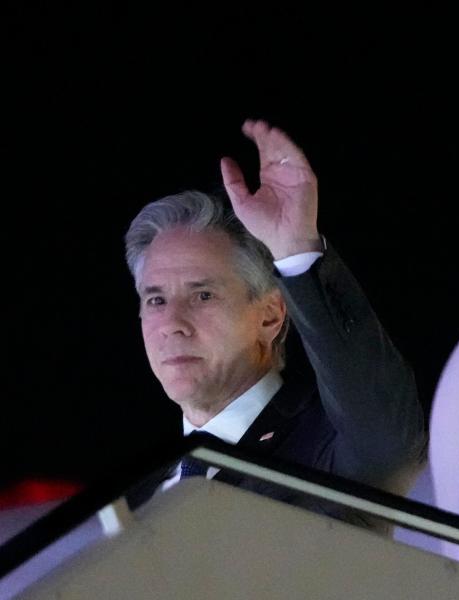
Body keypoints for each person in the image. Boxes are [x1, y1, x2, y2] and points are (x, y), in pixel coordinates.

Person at [123, 120, 426, 532]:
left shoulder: (326, 447)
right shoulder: (137, 498)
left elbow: (386, 442)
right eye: (156, 299)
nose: (172, 324)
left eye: (203, 295)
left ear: (270, 315)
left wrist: (295, 249)